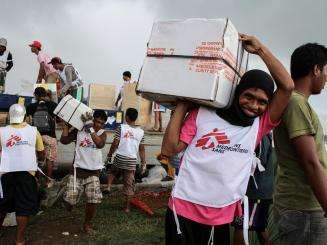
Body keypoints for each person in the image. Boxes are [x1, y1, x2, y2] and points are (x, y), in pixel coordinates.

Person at [161, 34, 294, 245]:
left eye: (262, 102)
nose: (253, 105)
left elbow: (287, 87)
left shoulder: (259, 125)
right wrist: (183, 105)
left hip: (220, 217)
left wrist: (261, 50)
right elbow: (169, 149)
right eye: (248, 96)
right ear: (238, 92)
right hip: (183, 208)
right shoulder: (203, 114)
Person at [273, 43, 327, 245]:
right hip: (305, 210)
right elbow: (311, 162)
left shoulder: (296, 102)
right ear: (316, 69)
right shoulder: (296, 103)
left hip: (302, 209)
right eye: (326, 70)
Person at [0, 104, 45, 245]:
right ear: (25, 116)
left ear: (9, 115)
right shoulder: (33, 131)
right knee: (23, 207)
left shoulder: (1, 131)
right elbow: (41, 153)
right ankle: (19, 240)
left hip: (6, 173)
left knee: (2, 205)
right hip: (27, 173)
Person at [60, 110, 107, 233]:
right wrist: (65, 126)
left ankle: (87, 224)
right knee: (70, 201)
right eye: (97, 122)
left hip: (93, 172)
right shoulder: (79, 131)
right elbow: (64, 141)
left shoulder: (102, 133)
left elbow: (99, 144)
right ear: (92, 120)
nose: (99, 125)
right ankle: (68, 201)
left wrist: (91, 129)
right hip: (77, 170)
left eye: (102, 123)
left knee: (93, 199)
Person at [233, 133, 275, 245]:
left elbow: (258, 162)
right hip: (255, 192)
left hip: (255, 193)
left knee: (241, 226)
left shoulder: (260, 136)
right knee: (258, 227)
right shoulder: (264, 135)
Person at [105, 108, 146, 213]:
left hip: (120, 157)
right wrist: (143, 162)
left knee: (113, 171)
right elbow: (142, 149)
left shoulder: (121, 128)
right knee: (129, 183)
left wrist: (109, 155)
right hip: (131, 161)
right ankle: (127, 207)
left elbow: (115, 143)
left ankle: (109, 186)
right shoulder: (141, 132)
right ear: (135, 118)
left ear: (126, 117)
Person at [26, 87, 58, 187]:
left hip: (36, 135)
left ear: (35, 95)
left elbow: (27, 120)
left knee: (37, 159)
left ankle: (37, 181)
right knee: (50, 159)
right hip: (50, 136)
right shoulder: (53, 105)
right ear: (46, 94)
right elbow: (60, 120)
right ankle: (48, 182)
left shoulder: (31, 106)